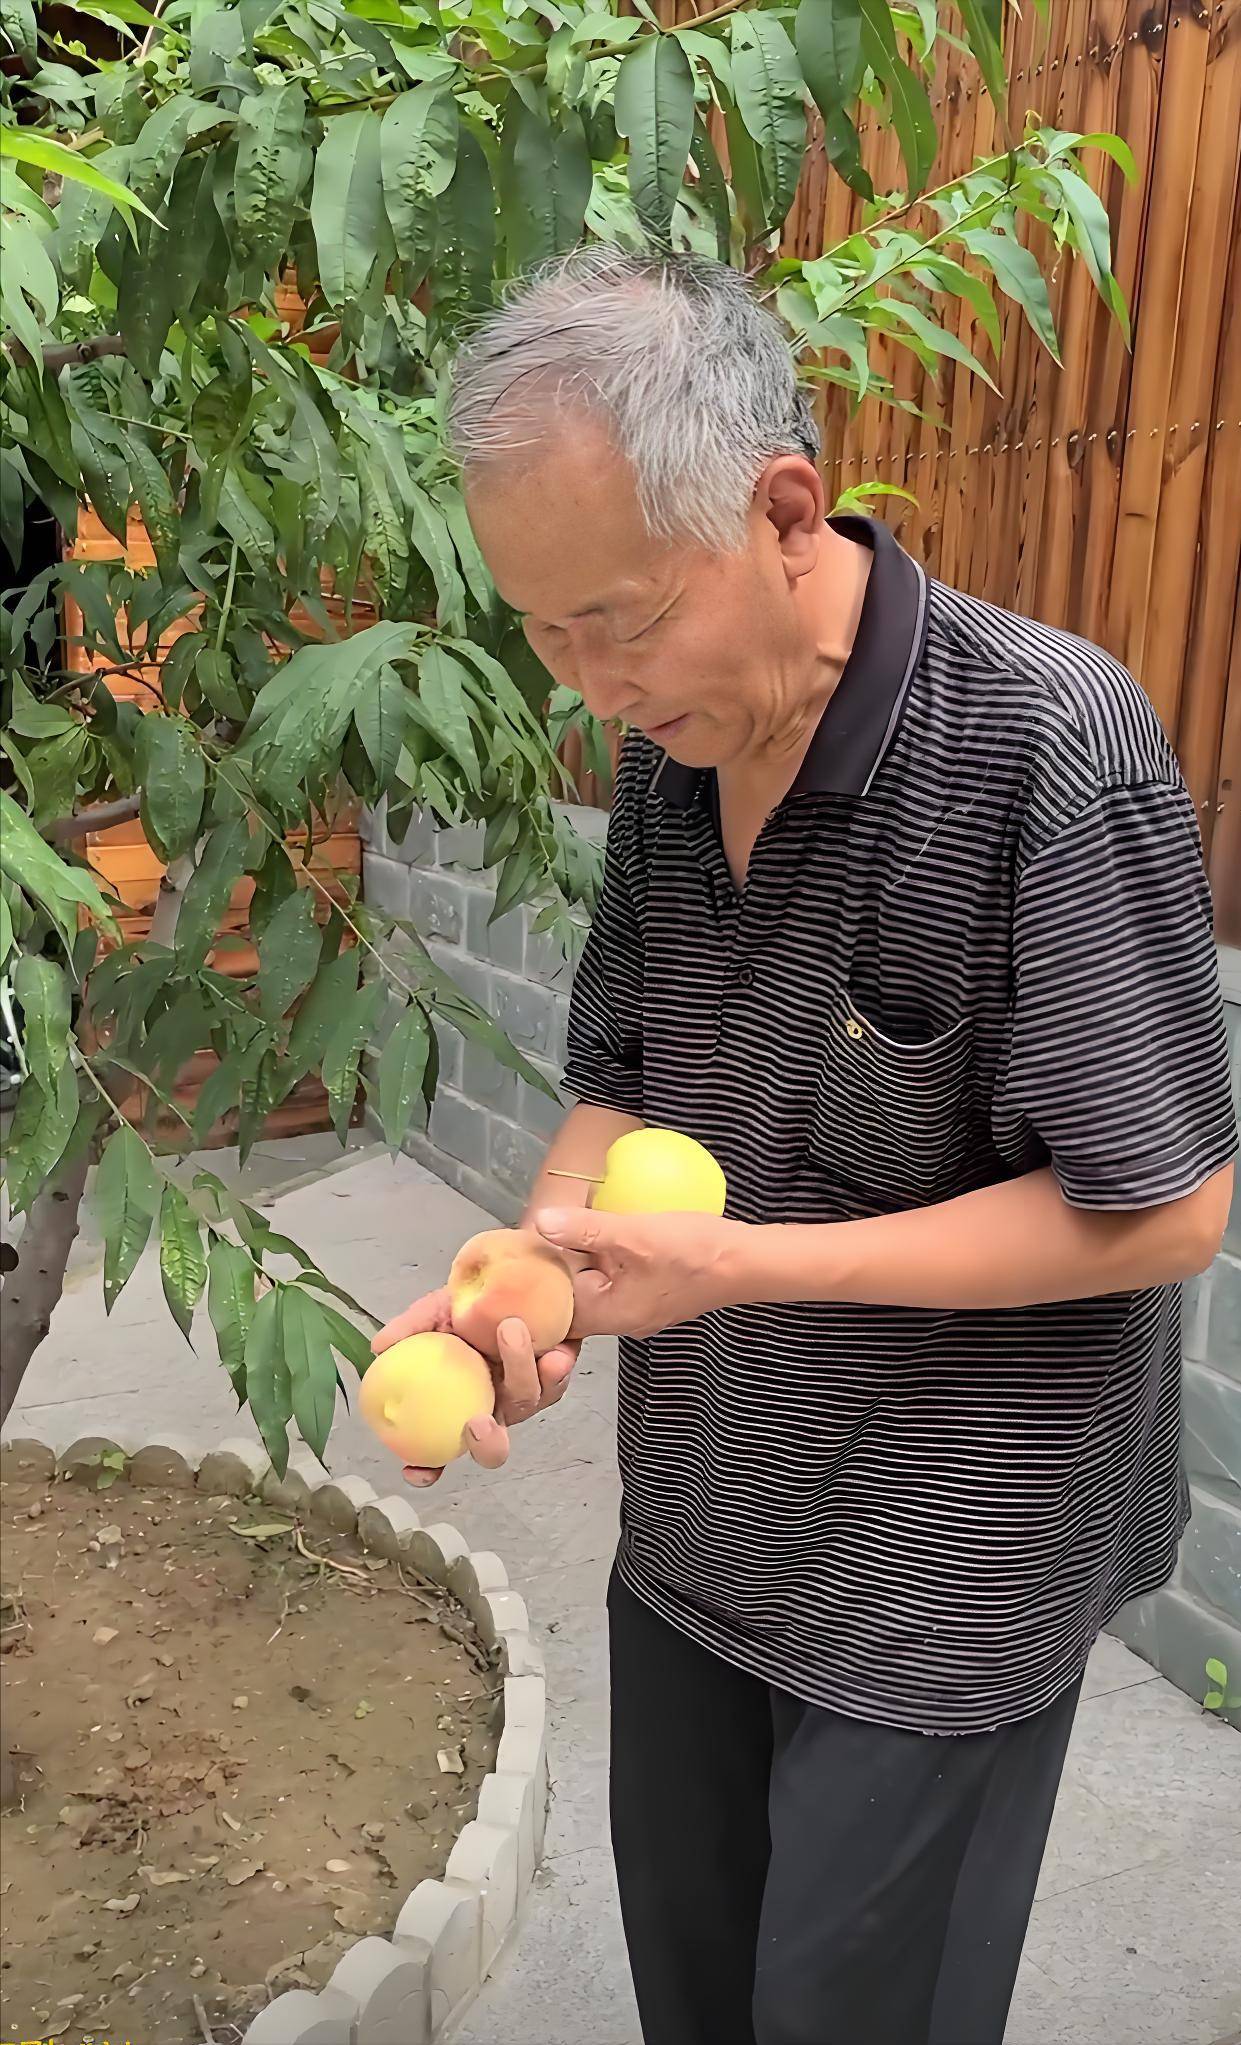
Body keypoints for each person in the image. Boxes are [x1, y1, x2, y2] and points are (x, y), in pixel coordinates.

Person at [375, 247, 1237, 2045]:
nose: (586, 686)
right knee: (696, 1991)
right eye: (541, 631)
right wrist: (532, 1264)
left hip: (950, 1562)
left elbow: (1162, 1210)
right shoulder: (674, 753)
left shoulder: (1048, 745)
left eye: (616, 620)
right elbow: (621, 1077)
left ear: (781, 512)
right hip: (703, 1514)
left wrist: (741, 1265)